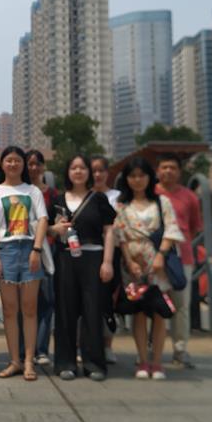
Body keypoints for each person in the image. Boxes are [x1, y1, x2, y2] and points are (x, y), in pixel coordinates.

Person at [113, 157, 183, 380]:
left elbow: (171, 229)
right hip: (133, 266)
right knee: (139, 312)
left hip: (157, 263)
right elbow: (121, 236)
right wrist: (129, 262)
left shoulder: (162, 202)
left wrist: (161, 255)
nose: (137, 180)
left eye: (141, 175)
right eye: (132, 176)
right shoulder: (122, 205)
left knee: (159, 312)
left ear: (149, 177)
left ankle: (157, 362)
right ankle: (143, 360)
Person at [49, 155, 116, 381]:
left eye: (82, 168)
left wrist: (107, 262)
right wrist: (55, 229)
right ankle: (65, 362)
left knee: (92, 310)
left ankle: (94, 363)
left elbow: (109, 231)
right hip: (65, 258)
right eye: (74, 167)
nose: (78, 171)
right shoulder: (58, 199)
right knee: (65, 311)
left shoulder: (98, 199)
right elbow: (46, 228)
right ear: (68, 172)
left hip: (93, 258)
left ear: (89, 172)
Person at [0, 146, 48, 381]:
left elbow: (42, 220)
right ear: (2, 164)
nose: (13, 164)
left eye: (17, 160)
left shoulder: (33, 191)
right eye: (9, 160)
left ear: (23, 164)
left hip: (29, 249)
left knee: (30, 309)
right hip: (6, 251)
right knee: (10, 310)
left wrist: (37, 250)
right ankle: (15, 361)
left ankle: (29, 361)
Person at [155, 153, 202, 369]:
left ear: (179, 172)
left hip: (181, 258)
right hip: (154, 257)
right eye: (164, 167)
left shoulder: (189, 197)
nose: (168, 171)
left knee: (181, 305)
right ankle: (152, 348)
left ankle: (180, 349)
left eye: (172, 167)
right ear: (157, 171)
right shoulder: (151, 194)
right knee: (154, 303)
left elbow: (193, 227)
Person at [19, 150, 57, 366]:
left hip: (46, 253)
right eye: (29, 163)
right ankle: (23, 350)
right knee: (22, 305)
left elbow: (58, 223)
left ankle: (41, 349)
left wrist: (47, 231)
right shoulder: (20, 191)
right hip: (22, 251)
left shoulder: (52, 194)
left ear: (43, 167)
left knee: (46, 302)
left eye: (37, 164)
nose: (33, 168)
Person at [92, 155, 121, 364]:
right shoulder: (82, 195)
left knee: (109, 301)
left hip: (113, 253)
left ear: (107, 173)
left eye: (101, 170)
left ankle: (108, 344)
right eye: (93, 170)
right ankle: (85, 343)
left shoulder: (117, 196)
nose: (97, 174)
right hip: (88, 253)